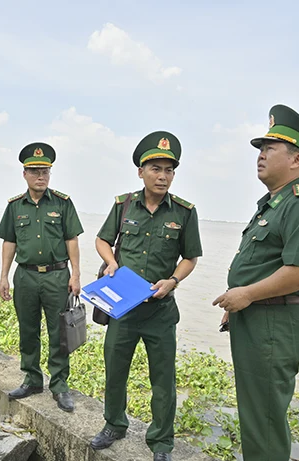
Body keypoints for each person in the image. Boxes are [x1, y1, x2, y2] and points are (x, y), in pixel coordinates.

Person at [213, 105, 299, 460]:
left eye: (270, 148)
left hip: (276, 323)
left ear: (297, 159)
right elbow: (263, 264)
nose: (260, 155)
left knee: (264, 418)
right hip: (259, 316)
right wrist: (241, 304)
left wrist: (247, 294)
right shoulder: (275, 203)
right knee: (256, 412)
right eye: (260, 148)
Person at [91, 131, 202, 461]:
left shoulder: (183, 212)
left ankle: (162, 441)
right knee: (115, 371)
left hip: (160, 311)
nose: (163, 176)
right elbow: (102, 240)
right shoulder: (123, 205)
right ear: (141, 171)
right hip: (123, 308)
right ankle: (114, 425)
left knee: (163, 380)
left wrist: (173, 280)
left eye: (169, 170)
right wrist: (111, 263)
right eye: (156, 168)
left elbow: (190, 258)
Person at [0, 142, 83, 412]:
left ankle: (59, 386)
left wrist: (76, 274)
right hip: (26, 277)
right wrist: (3, 276)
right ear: (25, 174)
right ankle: (32, 379)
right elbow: (9, 242)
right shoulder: (14, 206)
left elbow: (72, 239)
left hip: (57, 275)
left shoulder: (63, 203)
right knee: (28, 330)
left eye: (45, 171)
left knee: (59, 333)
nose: (40, 176)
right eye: (34, 171)